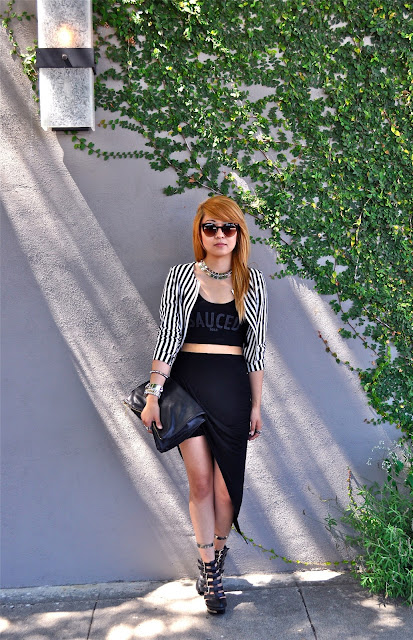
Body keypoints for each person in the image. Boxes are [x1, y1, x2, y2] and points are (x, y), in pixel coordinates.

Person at [140, 195, 268, 614]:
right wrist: (153, 394)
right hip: (188, 390)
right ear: (200, 233)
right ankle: (210, 570)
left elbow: (256, 350)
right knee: (200, 483)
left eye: (228, 227)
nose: (219, 235)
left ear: (239, 234)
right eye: (210, 227)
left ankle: (218, 550)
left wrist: (256, 406)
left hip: (233, 393)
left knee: (227, 490)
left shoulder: (252, 282)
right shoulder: (181, 277)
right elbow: (168, 336)